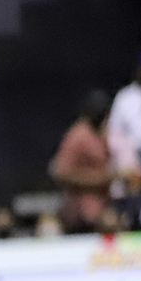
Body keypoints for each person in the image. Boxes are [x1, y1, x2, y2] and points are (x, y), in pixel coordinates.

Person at [52, 93, 115, 231]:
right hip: (81, 212)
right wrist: (97, 179)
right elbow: (61, 172)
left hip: (102, 207)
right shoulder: (78, 136)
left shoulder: (100, 134)